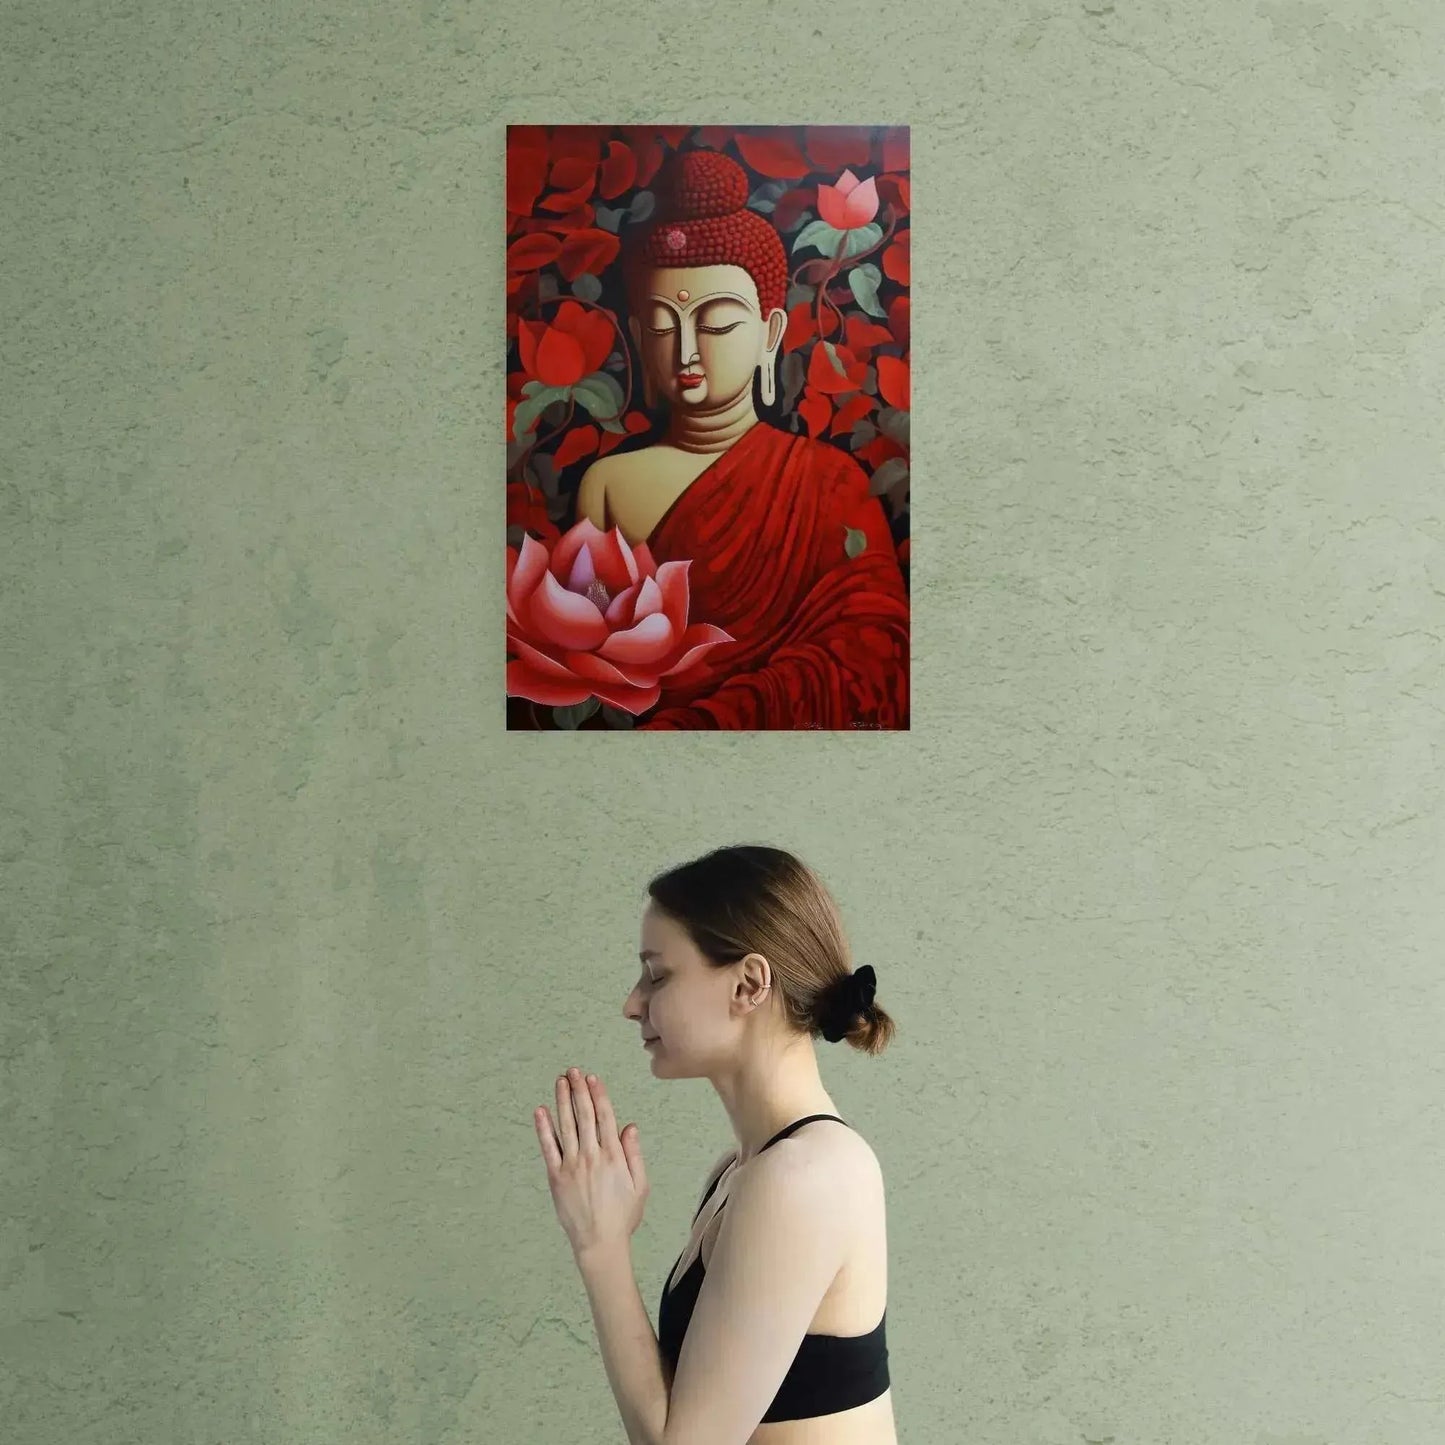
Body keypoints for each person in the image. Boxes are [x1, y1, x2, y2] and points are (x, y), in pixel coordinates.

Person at [574, 150, 910, 730]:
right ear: (636, 336)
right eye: (660, 325)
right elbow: (589, 668)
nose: (685, 351)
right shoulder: (606, 486)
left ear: (769, 332)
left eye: (717, 324)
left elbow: (877, 651)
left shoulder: (828, 485)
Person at [623, 845, 898, 1439]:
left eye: (657, 974)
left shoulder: (805, 1176)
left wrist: (599, 1245)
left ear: (749, 983)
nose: (632, 1003)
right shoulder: (741, 1172)